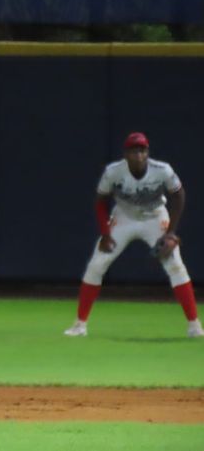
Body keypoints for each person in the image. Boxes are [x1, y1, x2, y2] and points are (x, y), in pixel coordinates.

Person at [64, 132, 204, 338]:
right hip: (124, 217)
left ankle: (194, 325)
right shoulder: (113, 172)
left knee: (175, 265)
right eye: (133, 150)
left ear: (147, 152)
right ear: (126, 154)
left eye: (142, 150)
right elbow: (101, 201)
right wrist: (105, 233)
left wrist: (170, 232)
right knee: (97, 264)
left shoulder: (162, 170)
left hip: (155, 216)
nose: (138, 154)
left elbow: (178, 195)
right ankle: (80, 324)